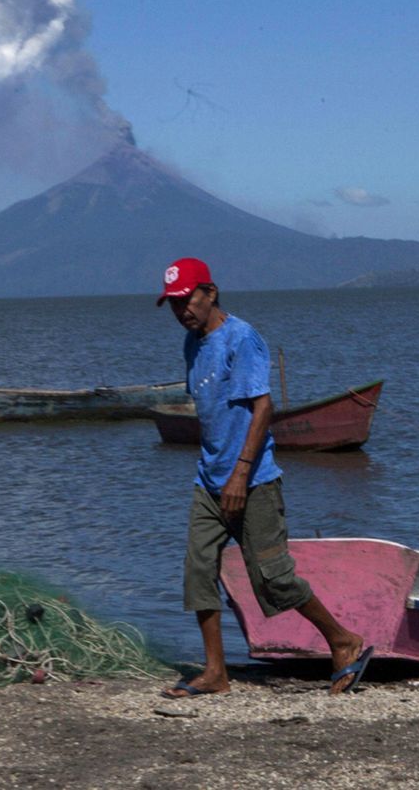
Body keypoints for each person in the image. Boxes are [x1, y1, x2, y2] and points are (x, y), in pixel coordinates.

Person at [155, 257, 370, 698]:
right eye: (173, 305)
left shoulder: (242, 339)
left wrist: (239, 474)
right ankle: (216, 672)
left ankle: (343, 640)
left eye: (186, 300)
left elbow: (263, 409)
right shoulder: (192, 345)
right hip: (208, 482)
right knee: (197, 570)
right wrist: (216, 472)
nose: (181, 312)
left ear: (210, 292)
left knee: (274, 578)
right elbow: (211, 413)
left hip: (252, 482)